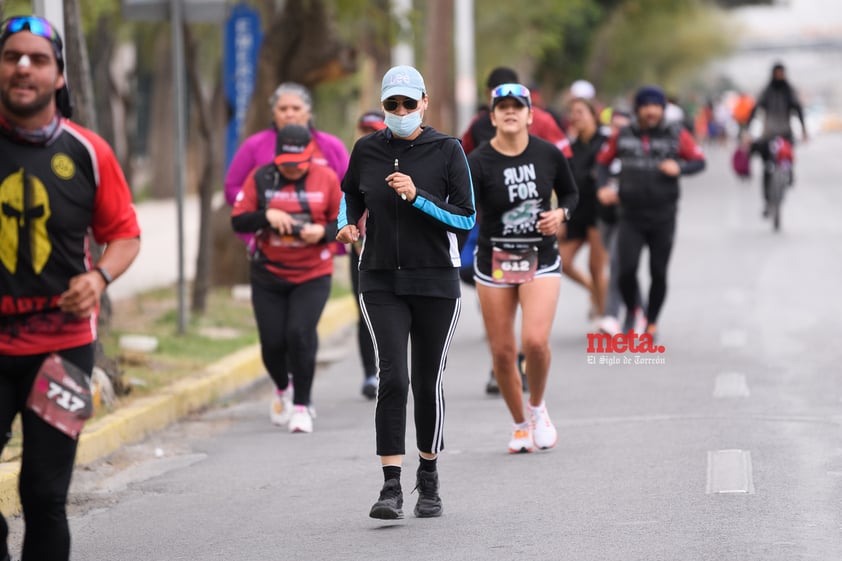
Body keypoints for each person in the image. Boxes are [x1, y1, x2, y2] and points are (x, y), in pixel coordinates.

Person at [0, 16, 141, 561]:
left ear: (59, 75)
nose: (23, 67)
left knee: (43, 492)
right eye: (12, 56)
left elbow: (125, 234)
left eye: (37, 58)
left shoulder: (88, 152)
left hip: (62, 349)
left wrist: (99, 276)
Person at [336, 65, 475, 519]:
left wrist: (418, 197)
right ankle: (390, 486)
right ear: (382, 106)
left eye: (407, 104)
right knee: (393, 377)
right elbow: (350, 194)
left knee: (427, 380)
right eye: (391, 105)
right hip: (379, 278)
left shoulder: (448, 150)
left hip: (436, 280)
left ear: (424, 103)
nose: (399, 112)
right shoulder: (367, 149)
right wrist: (346, 224)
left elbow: (466, 218)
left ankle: (429, 476)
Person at [468, 83, 578, 453]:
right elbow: (463, 210)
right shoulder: (478, 162)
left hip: (540, 257)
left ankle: (537, 407)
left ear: (531, 115)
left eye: (518, 106)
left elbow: (572, 194)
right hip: (495, 261)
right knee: (502, 351)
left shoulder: (547, 154)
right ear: (493, 116)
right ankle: (519, 425)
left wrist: (560, 214)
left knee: (534, 342)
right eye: (503, 107)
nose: (510, 111)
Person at [231, 124, 342, 433]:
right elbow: (237, 219)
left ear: (310, 157)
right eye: (286, 165)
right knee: (272, 342)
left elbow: (345, 223)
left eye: (299, 165)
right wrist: (266, 215)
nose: (292, 170)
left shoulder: (327, 178)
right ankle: (282, 388)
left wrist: (322, 232)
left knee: (299, 334)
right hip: (268, 273)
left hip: (313, 272)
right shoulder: (262, 178)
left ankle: (302, 406)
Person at [596, 85, 705, 340]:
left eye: (656, 106)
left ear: (663, 109)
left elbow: (699, 161)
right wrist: (603, 187)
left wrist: (679, 167)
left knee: (658, 272)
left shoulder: (676, 134)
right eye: (646, 106)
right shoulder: (622, 135)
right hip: (630, 215)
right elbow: (602, 162)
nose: (651, 111)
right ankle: (633, 312)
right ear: (638, 110)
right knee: (625, 271)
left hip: (663, 216)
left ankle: (652, 322)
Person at [224, 82, 349, 244]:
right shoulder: (254, 145)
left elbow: (349, 189)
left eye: (296, 108)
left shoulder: (331, 146)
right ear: (273, 113)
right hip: (268, 237)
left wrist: (326, 225)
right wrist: (261, 208)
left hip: (319, 240)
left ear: (308, 112)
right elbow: (231, 188)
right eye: (283, 109)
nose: (289, 114)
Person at [559, 97, 609, 327]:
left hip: (600, 213)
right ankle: (594, 291)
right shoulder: (571, 147)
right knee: (563, 261)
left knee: (596, 266)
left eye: (581, 112)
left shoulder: (606, 142)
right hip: (578, 211)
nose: (576, 116)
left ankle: (604, 314)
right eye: (573, 113)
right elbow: (565, 184)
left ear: (593, 115)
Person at [351, 111, 386, 399]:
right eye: (363, 130)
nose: (366, 135)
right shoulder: (353, 165)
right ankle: (368, 374)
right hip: (361, 253)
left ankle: (393, 369)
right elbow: (344, 202)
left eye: (372, 130)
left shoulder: (397, 164)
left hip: (395, 253)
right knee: (364, 313)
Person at [745, 62, 808, 216]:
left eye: (782, 73)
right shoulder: (766, 91)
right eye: (777, 73)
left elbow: (798, 109)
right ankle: (768, 202)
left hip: (785, 132)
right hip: (769, 133)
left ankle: (789, 173)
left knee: (788, 156)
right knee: (767, 168)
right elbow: (754, 109)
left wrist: (804, 130)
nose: (780, 76)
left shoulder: (789, 90)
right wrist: (747, 130)